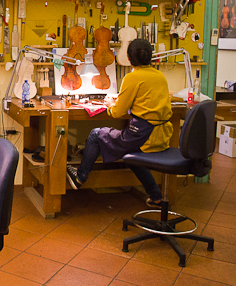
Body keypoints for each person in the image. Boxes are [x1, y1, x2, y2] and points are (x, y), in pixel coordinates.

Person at [66, 39, 173, 207]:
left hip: (141, 136)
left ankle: (80, 177)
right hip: (161, 136)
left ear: (129, 58)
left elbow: (117, 113)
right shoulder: (160, 76)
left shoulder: (132, 77)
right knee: (132, 156)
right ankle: (156, 196)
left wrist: (110, 105)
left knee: (96, 134)